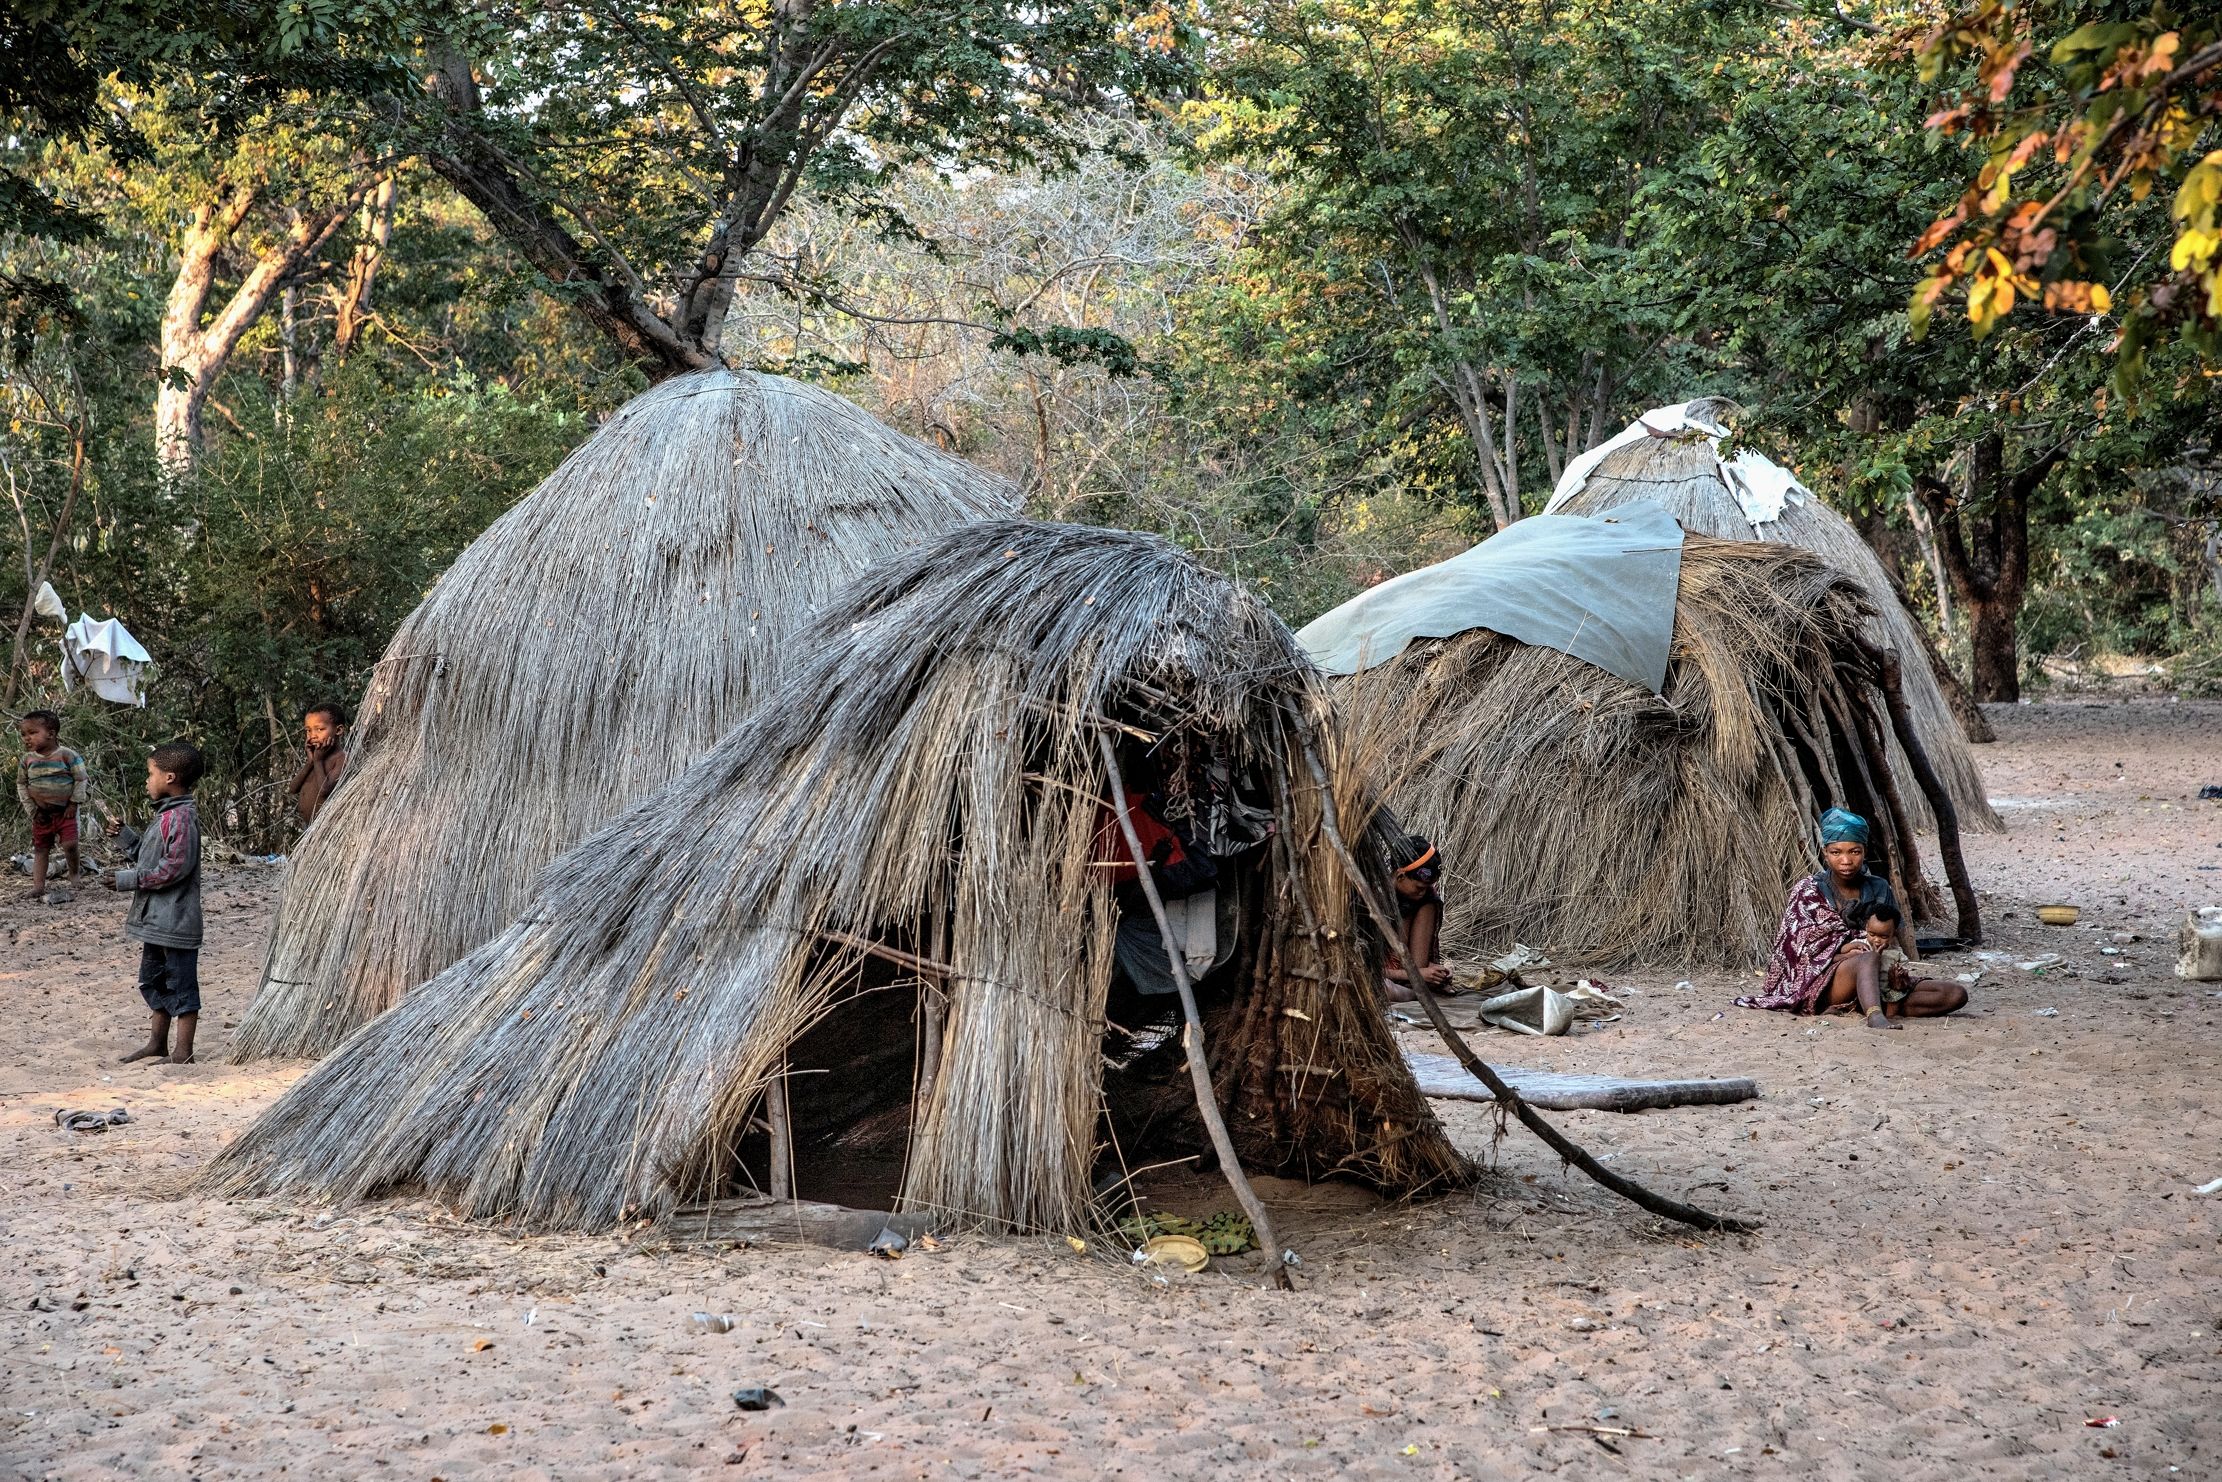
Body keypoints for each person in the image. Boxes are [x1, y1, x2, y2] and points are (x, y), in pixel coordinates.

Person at [1736, 808, 1968, 1029]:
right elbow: (1794, 956)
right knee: (1866, 959)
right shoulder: (1808, 891)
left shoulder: (1879, 888)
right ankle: (1875, 1016)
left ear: (1864, 851)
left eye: (1854, 852)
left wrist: (1895, 977)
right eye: (1837, 852)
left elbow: (1890, 940)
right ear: (1825, 854)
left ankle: (1881, 1003)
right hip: (1826, 980)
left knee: (1955, 994)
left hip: (1877, 977)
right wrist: (1842, 951)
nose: (1846, 860)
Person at [108, 740, 205, 1065]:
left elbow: (175, 868)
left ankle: (182, 1052)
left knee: (181, 985)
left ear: (170, 778)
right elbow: (152, 859)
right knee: (154, 980)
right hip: (158, 923)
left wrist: (129, 879)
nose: (147, 781)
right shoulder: (166, 817)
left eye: (151, 773)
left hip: (175, 922)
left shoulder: (180, 819)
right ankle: (157, 1043)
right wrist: (125, 837)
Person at [15, 709, 107, 903]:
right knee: (41, 849)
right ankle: (38, 886)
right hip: (41, 815)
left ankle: (74, 874)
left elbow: (81, 779)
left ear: (51, 733)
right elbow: (22, 785)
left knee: (70, 845)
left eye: (32, 732)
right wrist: (32, 810)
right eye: (23, 734)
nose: (26, 738)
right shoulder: (27, 760)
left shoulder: (67, 755)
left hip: (65, 812)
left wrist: (74, 803)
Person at [1382, 835, 1453, 1003]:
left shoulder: (1425, 899)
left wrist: (1432, 971)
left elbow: (1416, 964)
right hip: (1380, 976)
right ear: (1400, 876)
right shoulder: (1372, 898)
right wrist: (1418, 974)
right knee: (1384, 990)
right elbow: (1363, 967)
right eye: (1419, 887)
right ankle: (1415, 994)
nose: (1423, 892)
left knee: (1429, 902)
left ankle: (1416, 988)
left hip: (1406, 975)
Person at [286, 702, 349, 826]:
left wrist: (318, 761)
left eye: (320, 729)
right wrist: (310, 763)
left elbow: (325, 791)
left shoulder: (341, 758)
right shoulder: (315, 758)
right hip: (308, 827)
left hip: (326, 827)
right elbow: (293, 788)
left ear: (339, 730)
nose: (312, 735)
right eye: (308, 730)